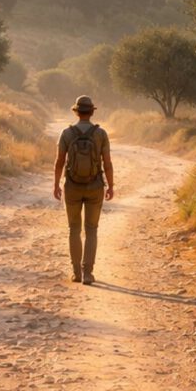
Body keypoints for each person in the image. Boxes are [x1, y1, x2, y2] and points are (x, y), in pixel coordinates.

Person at [53, 95, 114, 284]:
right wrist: (111, 185)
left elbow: (59, 162)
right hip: (95, 186)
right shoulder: (101, 134)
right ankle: (88, 273)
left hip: (71, 186)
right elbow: (108, 163)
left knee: (74, 229)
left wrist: (56, 184)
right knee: (92, 230)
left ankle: (75, 272)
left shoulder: (66, 133)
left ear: (76, 112)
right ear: (92, 112)